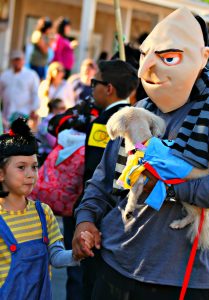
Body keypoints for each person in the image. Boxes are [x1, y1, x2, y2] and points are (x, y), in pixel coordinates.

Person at [72, 7, 209, 299]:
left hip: (178, 279)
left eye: (168, 57)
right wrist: (85, 220)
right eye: (147, 57)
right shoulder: (137, 112)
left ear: (202, 58)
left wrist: (171, 189)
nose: (149, 69)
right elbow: (104, 179)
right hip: (113, 262)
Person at [48, 59, 138, 300]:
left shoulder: (105, 123)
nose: (91, 88)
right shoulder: (136, 118)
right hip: (123, 217)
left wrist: (88, 216)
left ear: (108, 88)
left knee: (82, 278)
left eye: (94, 83)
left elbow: (96, 172)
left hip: (97, 215)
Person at [0, 117, 82, 300]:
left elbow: (56, 256)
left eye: (34, 167)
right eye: (21, 167)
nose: (30, 174)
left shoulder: (43, 212)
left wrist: (76, 254)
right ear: (1, 173)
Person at [0, 50, 40, 131]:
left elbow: (35, 93)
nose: (17, 62)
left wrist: (34, 109)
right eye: (15, 60)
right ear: (12, 61)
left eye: (19, 59)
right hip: (7, 113)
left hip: (23, 113)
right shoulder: (5, 75)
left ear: (23, 60)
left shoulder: (31, 75)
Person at [35, 98, 66, 165]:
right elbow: (53, 143)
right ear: (54, 109)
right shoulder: (47, 122)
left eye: (64, 108)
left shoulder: (58, 121)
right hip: (44, 156)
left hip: (52, 154)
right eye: (62, 108)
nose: (64, 110)